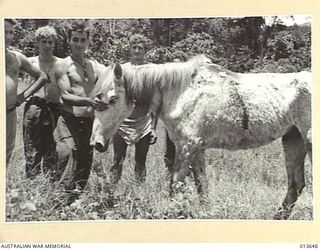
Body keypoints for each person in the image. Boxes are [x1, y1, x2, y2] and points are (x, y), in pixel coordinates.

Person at [53, 21, 109, 204]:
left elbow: (110, 83)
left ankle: (74, 204)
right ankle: (58, 203)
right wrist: (89, 101)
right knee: (67, 156)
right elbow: (65, 96)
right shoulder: (62, 65)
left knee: (84, 164)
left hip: (89, 122)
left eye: (82, 40)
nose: (79, 44)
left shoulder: (95, 67)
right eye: (75, 39)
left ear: (88, 42)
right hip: (69, 120)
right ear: (69, 40)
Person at [110, 34, 157, 184]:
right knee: (117, 159)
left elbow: (155, 101)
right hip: (122, 121)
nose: (137, 51)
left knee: (141, 160)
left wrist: (154, 128)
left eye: (140, 48)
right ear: (130, 49)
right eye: (134, 47)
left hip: (143, 121)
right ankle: (111, 191)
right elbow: (113, 93)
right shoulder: (122, 69)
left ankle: (139, 193)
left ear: (145, 51)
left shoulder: (151, 70)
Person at [5, 19, 48, 164]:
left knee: (5, 157)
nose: (8, 36)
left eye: (11, 32)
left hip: (8, 113)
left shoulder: (16, 57)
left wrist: (21, 97)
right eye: (4, 32)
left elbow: (42, 77)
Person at [23, 26, 62, 179]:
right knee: (32, 147)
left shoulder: (61, 63)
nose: (47, 45)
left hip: (55, 108)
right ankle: (31, 181)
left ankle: (50, 182)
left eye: (50, 42)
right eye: (43, 41)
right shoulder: (29, 62)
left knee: (53, 147)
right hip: (34, 107)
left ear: (54, 44)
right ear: (37, 43)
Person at [164, 51, 187, 173]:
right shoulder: (167, 85)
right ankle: (171, 178)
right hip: (171, 123)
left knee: (189, 151)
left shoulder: (190, 83)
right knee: (170, 151)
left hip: (188, 123)